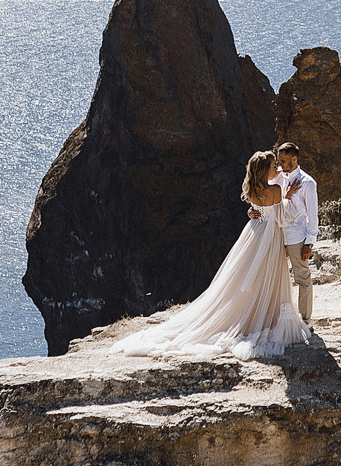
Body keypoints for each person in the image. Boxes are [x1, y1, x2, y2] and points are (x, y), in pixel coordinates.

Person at [112, 150, 308, 360]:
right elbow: (282, 218)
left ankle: (253, 314)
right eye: (273, 166)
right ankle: (265, 316)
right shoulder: (276, 189)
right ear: (264, 170)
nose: (277, 168)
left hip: (253, 233)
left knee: (246, 276)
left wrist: (257, 209)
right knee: (268, 274)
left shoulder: (252, 189)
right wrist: (287, 197)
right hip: (268, 236)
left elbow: (258, 209)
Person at [268, 142, 317, 326]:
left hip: (297, 237)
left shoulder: (308, 183)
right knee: (275, 278)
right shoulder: (279, 178)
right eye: (278, 160)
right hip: (278, 236)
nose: (280, 165)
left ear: (294, 158)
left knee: (302, 278)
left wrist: (309, 242)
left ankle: (305, 321)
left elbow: (313, 215)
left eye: (283, 160)